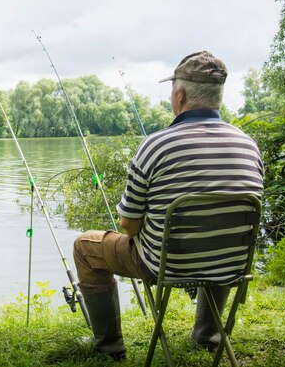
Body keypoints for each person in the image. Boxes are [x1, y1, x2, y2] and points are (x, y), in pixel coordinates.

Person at [73, 51, 264, 361]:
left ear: (180, 95)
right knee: (218, 237)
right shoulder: (248, 145)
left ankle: (108, 346)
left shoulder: (156, 145)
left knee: (85, 246)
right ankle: (208, 335)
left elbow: (128, 224)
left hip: (165, 266)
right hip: (230, 265)